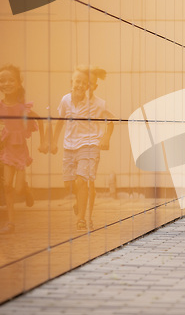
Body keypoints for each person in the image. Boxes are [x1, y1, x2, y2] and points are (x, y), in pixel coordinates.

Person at [51, 66, 114, 231]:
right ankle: (81, 202)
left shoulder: (98, 104)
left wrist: (106, 137)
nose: (81, 85)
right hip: (69, 146)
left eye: (85, 83)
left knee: (82, 181)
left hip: (89, 145)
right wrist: (53, 141)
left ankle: (82, 219)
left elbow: (111, 121)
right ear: (72, 82)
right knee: (69, 185)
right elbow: (60, 121)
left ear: (89, 86)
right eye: (77, 81)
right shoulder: (66, 100)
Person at [0, 65, 48, 234]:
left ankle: (26, 189)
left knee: (18, 189)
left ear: (19, 83)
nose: (6, 83)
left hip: (20, 152)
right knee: (7, 186)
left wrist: (42, 142)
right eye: (2, 80)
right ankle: (11, 223)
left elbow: (40, 120)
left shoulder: (22, 108)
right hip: (6, 151)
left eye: (11, 80)